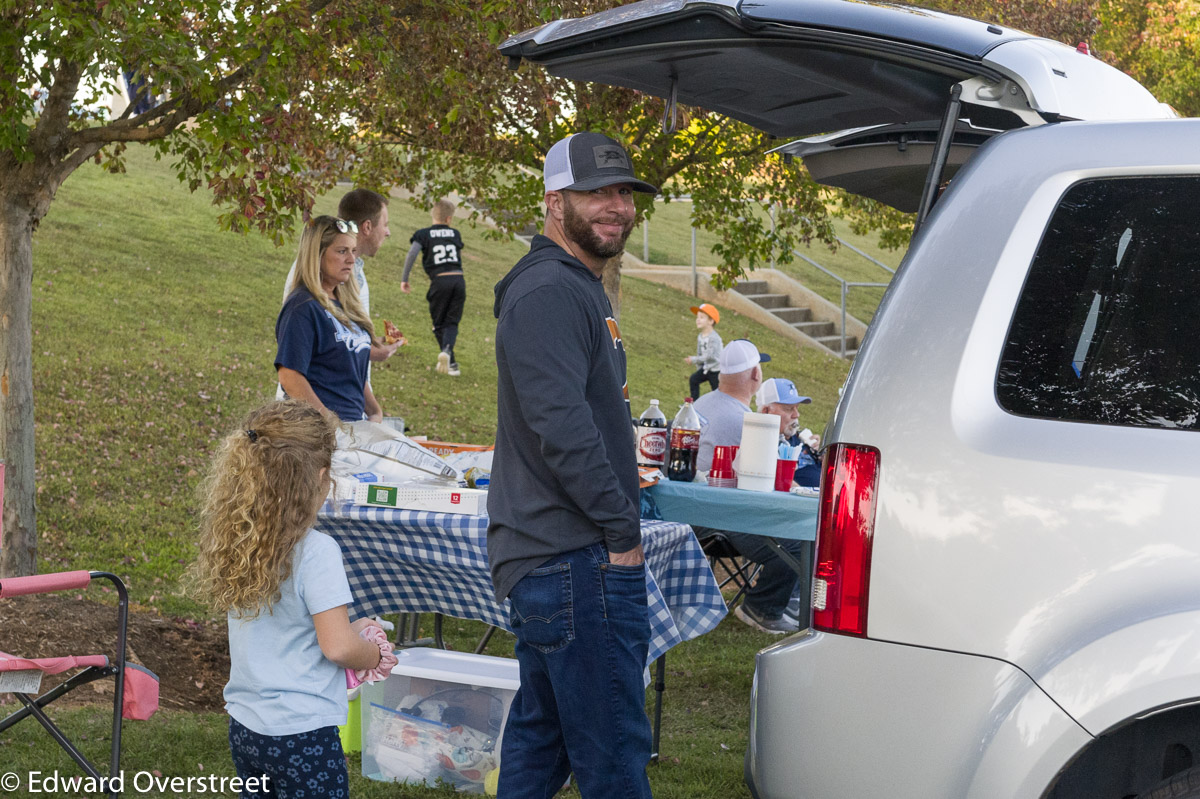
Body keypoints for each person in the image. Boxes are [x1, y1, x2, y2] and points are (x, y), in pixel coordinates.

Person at [488, 131, 658, 798]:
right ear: (555, 201)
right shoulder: (548, 293)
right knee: (614, 755)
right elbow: (561, 430)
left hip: (561, 558)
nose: (616, 206)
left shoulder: (574, 286)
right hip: (574, 557)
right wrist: (622, 532)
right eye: (597, 193)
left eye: (624, 192)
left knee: (542, 742)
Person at [193, 401, 395, 797]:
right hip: (302, 732)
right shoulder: (316, 551)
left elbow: (291, 629)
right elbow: (337, 647)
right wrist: (372, 655)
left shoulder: (242, 540)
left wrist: (351, 629)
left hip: (247, 725)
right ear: (320, 476)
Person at [692, 340, 808, 634]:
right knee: (798, 543)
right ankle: (761, 608)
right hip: (719, 517)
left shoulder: (701, 404)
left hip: (688, 511)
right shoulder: (747, 421)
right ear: (756, 374)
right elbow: (763, 483)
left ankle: (774, 604)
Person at [276, 215, 385, 422]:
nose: (351, 259)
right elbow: (290, 376)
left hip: (354, 428)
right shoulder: (302, 306)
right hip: (318, 437)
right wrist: (329, 422)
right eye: (342, 251)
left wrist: (375, 412)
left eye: (353, 251)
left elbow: (353, 367)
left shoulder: (347, 306)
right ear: (316, 255)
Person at [282, 188, 399, 365]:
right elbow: (305, 343)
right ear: (367, 227)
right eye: (385, 224)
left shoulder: (352, 270)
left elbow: (343, 336)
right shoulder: (312, 278)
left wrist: (368, 343)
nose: (388, 232)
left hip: (350, 390)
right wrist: (370, 351)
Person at [403, 199, 467, 376]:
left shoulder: (423, 234)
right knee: (452, 322)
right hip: (458, 280)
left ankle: (450, 359)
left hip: (439, 281)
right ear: (448, 219)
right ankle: (449, 356)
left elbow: (412, 254)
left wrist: (404, 278)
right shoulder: (455, 233)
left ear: (434, 215)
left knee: (439, 325)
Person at [755, 377, 821, 489]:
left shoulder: (799, 438)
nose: (796, 415)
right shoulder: (761, 444)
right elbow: (778, 482)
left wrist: (823, 455)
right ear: (766, 411)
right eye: (789, 408)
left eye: (797, 408)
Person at [684, 302, 723, 399]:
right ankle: (694, 404)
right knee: (693, 379)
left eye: (701, 317)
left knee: (717, 390)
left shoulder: (714, 338)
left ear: (711, 321)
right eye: (697, 317)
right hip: (706, 368)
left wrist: (694, 360)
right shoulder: (700, 336)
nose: (698, 320)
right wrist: (699, 368)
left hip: (715, 369)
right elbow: (699, 352)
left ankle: (719, 406)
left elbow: (710, 356)